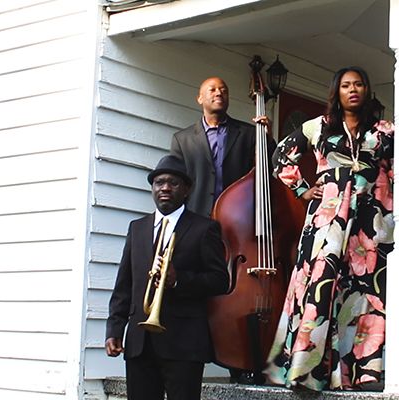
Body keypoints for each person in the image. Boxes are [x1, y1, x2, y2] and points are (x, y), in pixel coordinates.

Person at [264, 66, 394, 391]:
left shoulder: (383, 131)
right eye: (346, 85)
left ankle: (360, 372)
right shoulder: (317, 126)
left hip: (368, 222)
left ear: (367, 90)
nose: (353, 90)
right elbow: (280, 156)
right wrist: (302, 189)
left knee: (364, 290)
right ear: (337, 92)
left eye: (359, 84)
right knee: (322, 285)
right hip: (327, 219)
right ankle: (307, 370)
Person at [105, 155, 229, 400]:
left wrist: (179, 279)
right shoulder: (137, 228)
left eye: (173, 183)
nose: (165, 188)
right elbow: (124, 284)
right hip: (140, 342)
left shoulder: (205, 228)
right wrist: (115, 328)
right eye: (159, 182)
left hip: (184, 342)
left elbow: (220, 280)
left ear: (186, 190)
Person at [169, 76, 273, 217]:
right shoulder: (182, 139)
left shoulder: (249, 133)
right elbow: (175, 183)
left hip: (237, 217)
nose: (219, 93)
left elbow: (267, 170)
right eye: (212, 90)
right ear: (200, 99)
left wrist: (267, 139)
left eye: (223, 91)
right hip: (195, 217)